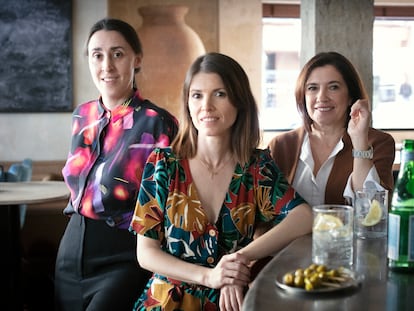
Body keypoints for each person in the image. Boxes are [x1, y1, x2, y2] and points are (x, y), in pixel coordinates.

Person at [129, 52, 312, 311]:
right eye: (197, 95)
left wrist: (237, 261)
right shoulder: (163, 164)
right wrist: (210, 277)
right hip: (167, 302)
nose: (206, 106)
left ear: (239, 102)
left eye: (220, 94)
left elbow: (304, 216)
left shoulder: (256, 166)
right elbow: (146, 253)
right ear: (188, 102)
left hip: (231, 302)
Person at [54, 18, 178, 311]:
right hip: (71, 253)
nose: (106, 65)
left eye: (117, 54)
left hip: (123, 255)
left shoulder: (157, 122)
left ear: (136, 59)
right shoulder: (81, 116)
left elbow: (167, 203)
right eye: (97, 55)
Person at [268, 51, 395, 207]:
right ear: (303, 96)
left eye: (333, 87)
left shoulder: (379, 142)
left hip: (348, 232)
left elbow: (372, 211)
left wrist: (360, 142)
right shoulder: (281, 145)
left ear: (350, 96)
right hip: (289, 233)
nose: (322, 97)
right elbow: (263, 211)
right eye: (312, 88)